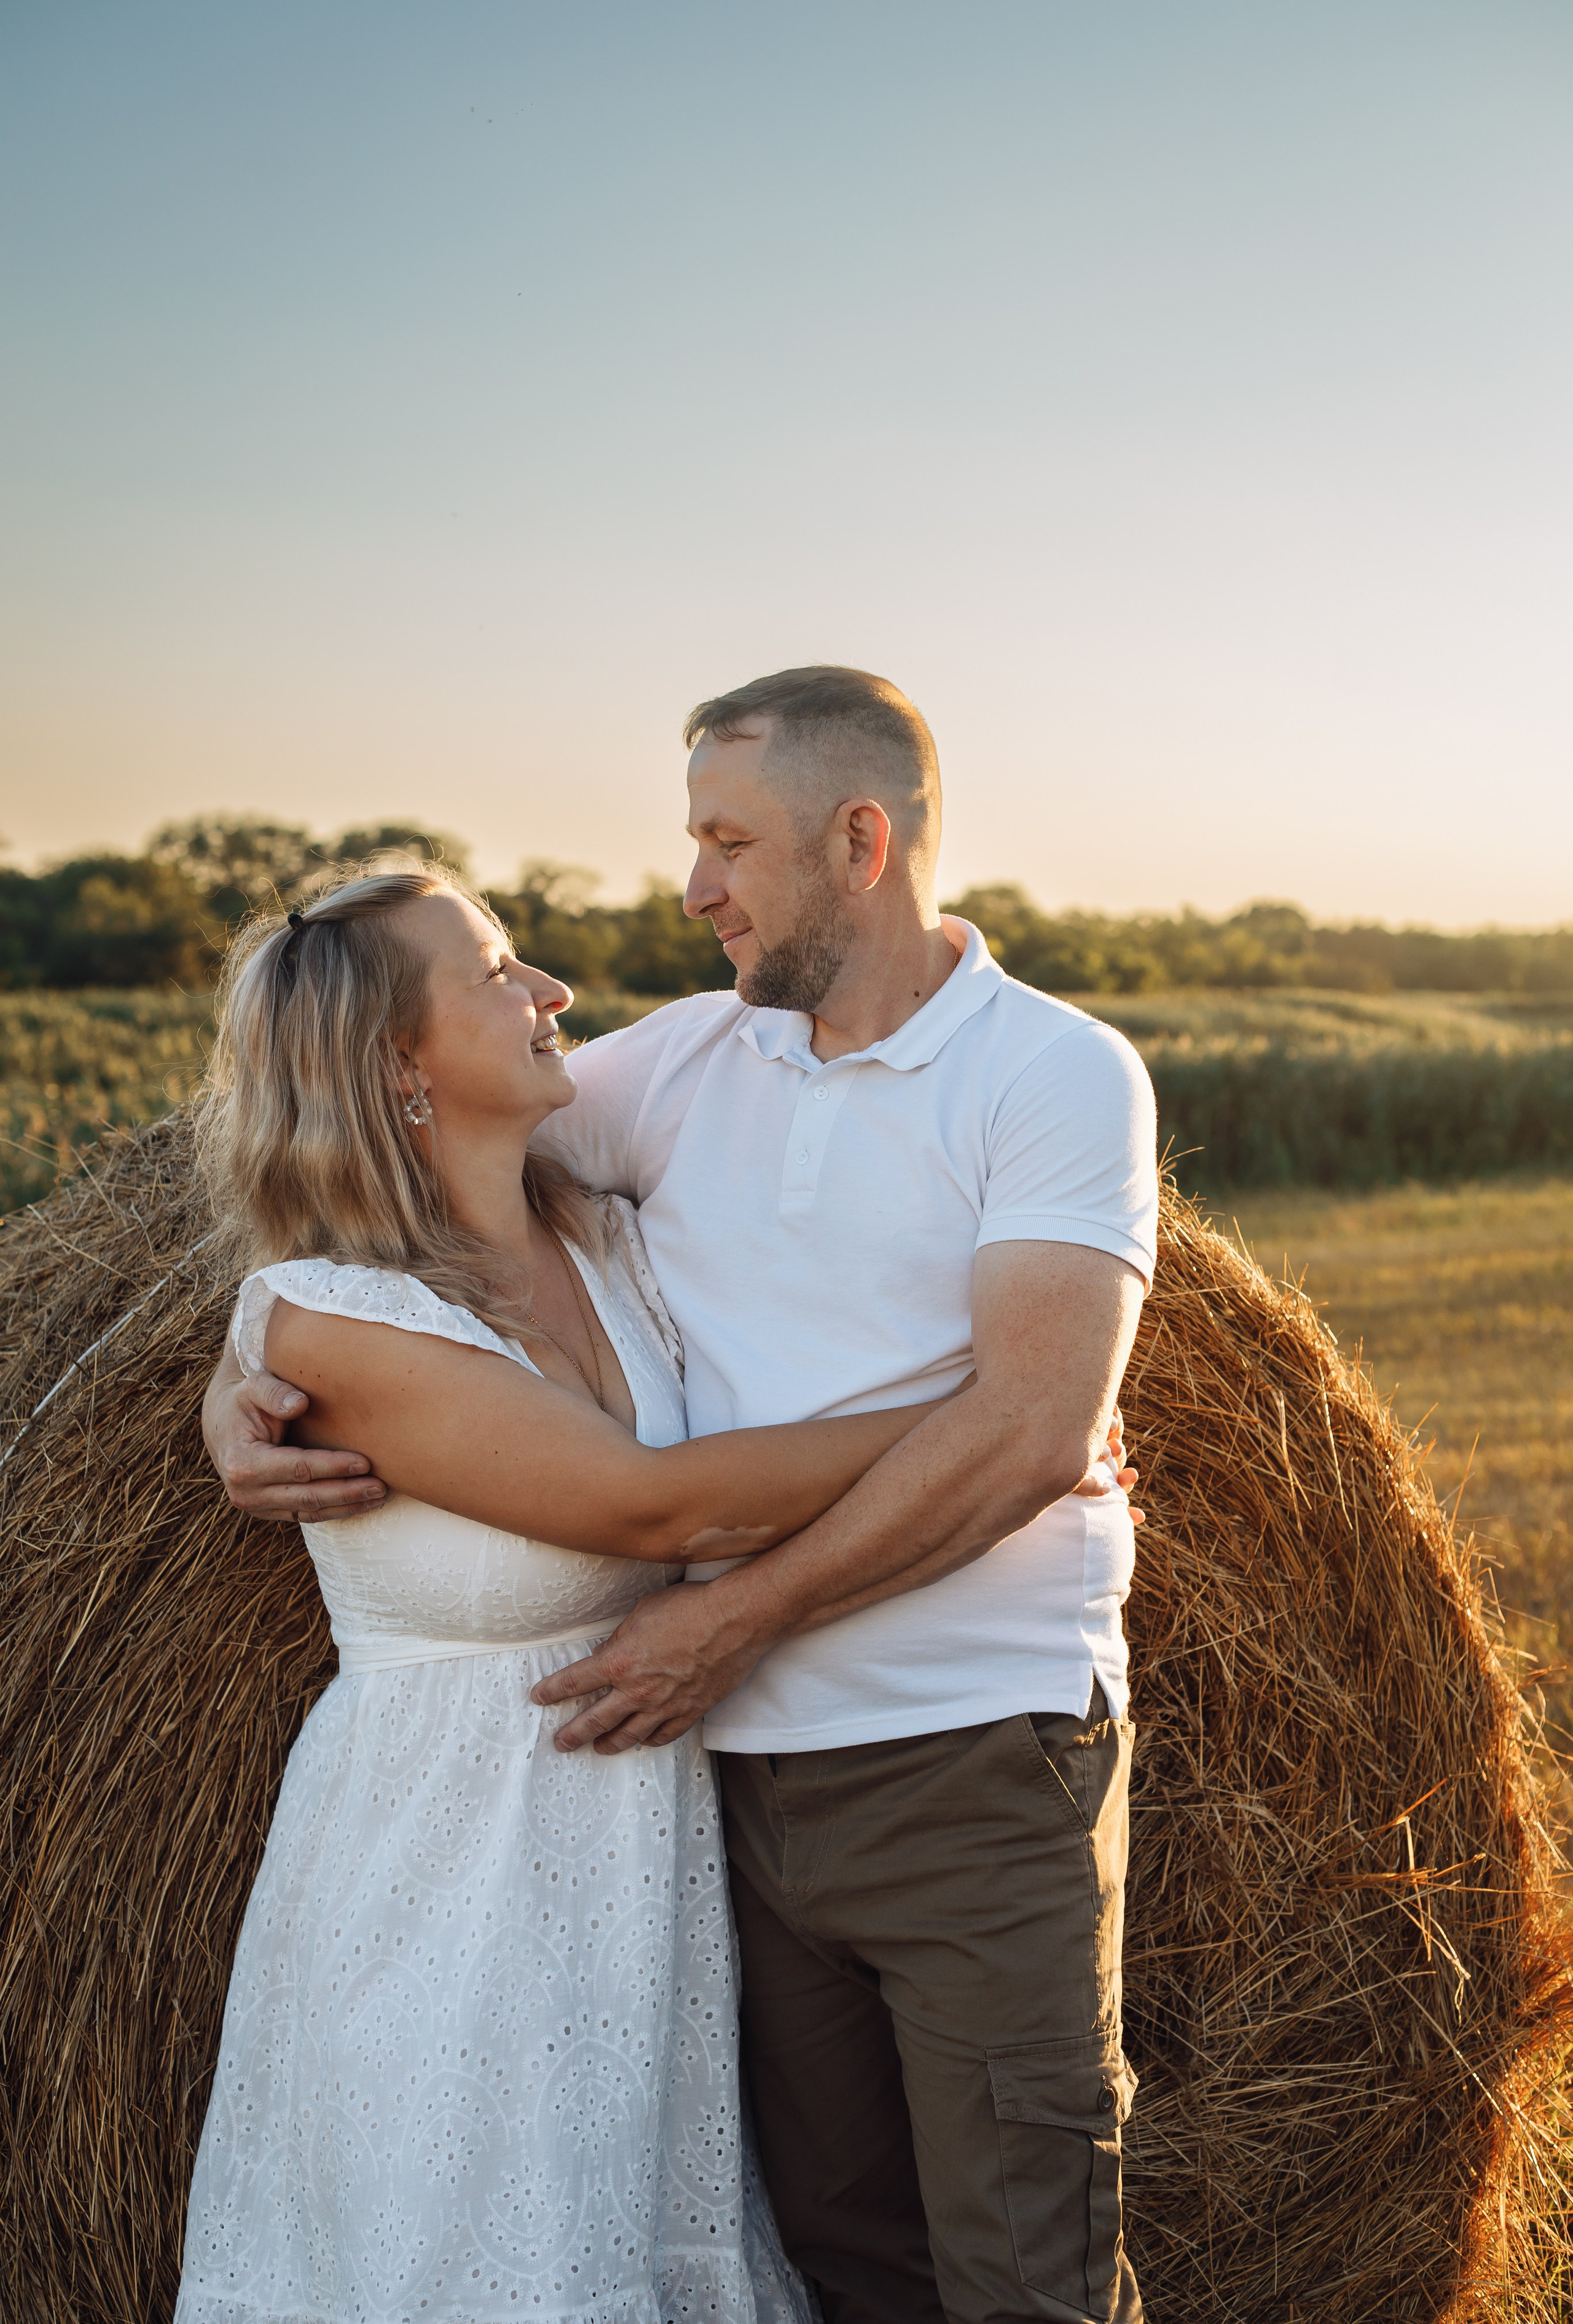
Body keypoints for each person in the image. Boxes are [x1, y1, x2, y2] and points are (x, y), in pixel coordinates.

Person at [207, 666, 1159, 2324]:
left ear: (860, 841)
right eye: (692, 838)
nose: (685, 888)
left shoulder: (1050, 1074)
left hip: (964, 1746)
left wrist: (765, 1600)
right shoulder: (673, 1072)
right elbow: (357, 1207)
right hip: (703, 1801)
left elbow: (1013, 1431)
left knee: (1024, 2272)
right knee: (843, 2259)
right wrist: (242, 1382)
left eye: (726, 841)